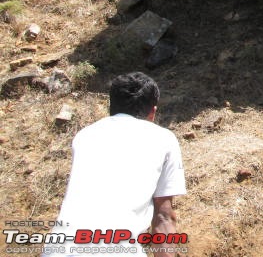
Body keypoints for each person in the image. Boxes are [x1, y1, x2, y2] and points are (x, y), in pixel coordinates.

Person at [42, 72, 187, 257]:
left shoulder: (85, 135)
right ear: (153, 111)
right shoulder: (164, 138)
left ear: (111, 106)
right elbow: (163, 217)